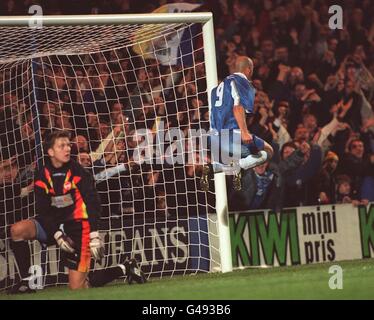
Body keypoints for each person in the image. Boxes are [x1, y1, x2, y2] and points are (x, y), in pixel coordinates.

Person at [8, 131, 145, 294]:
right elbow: (43, 210)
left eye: (68, 145)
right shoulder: (41, 173)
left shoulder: (77, 170)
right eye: (62, 146)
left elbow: (93, 203)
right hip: (52, 225)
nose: (67, 149)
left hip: (77, 228)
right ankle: (26, 282)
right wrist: (57, 234)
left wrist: (94, 233)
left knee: (78, 287)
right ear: (50, 152)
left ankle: (125, 268)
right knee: (17, 230)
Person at [203, 56, 273, 189]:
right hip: (232, 134)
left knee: (231, 166)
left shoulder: (217, 88)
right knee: (268, 151)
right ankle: (238, 166)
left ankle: (215, 168)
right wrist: (244, 132)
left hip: (215, 137)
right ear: (249, 70)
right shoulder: (243, 82)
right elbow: (238, 107)